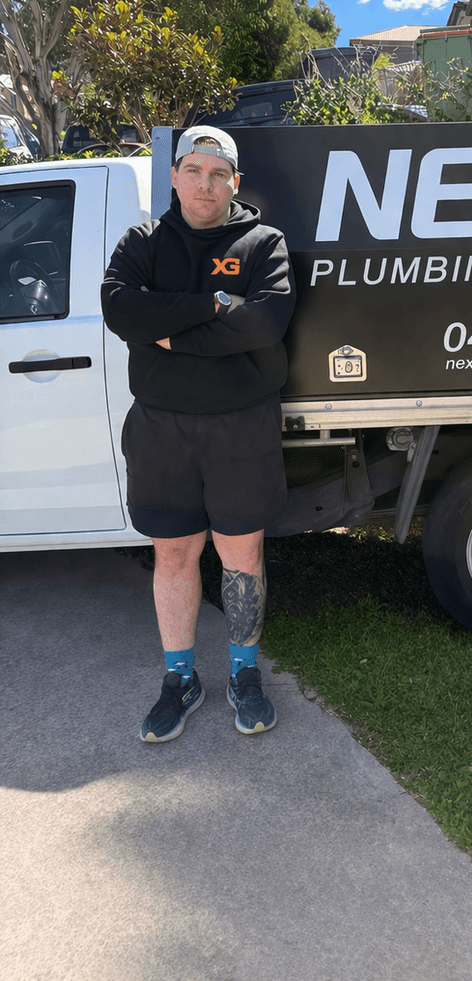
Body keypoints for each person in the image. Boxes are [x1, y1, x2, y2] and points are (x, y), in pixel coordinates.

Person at [101, 126, 296, 742]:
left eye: (218, 173)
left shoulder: (263, 242)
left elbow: (264, 324)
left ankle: (244, 675)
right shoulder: (143, 242)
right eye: (194, 170)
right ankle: (179, 680)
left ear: (234, 182)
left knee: (241, 555)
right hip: (161, 427)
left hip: (242, 426)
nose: (205, 184)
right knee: (175, 553)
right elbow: (119, 310)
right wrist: (212, 305)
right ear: (175, 177)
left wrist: (167, 323)